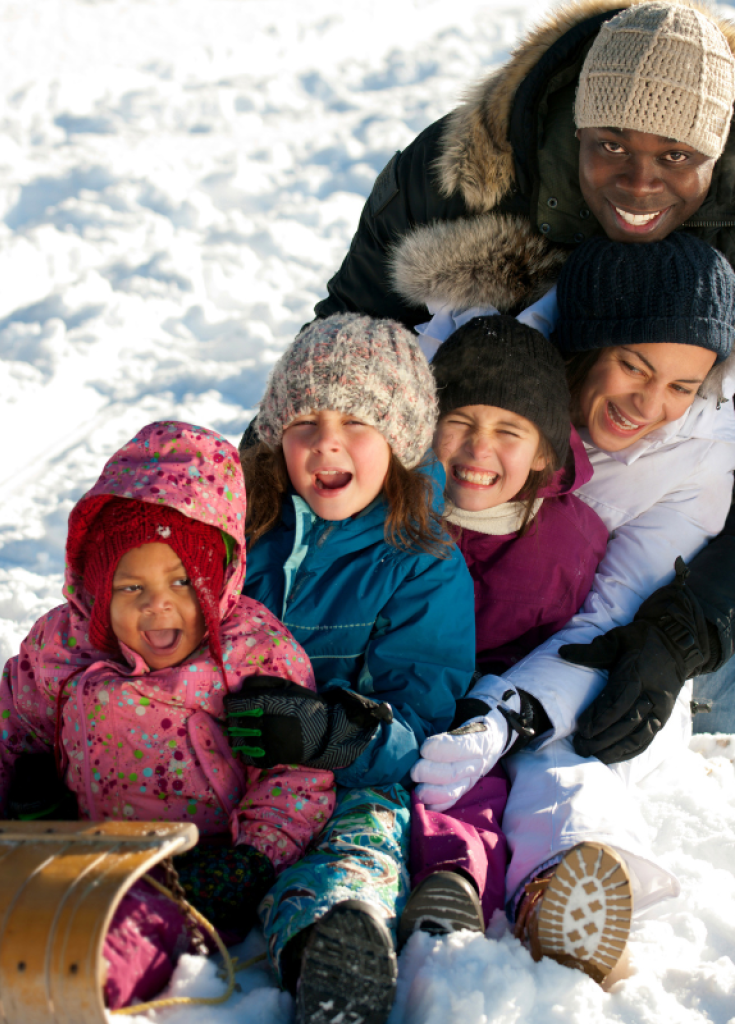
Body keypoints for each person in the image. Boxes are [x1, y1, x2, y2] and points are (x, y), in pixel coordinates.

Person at [314, 0, 735, 759]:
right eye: (610, 146)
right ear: (573, 127)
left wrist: (685, 630)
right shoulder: (457, 181)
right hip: (479, 527)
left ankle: (718, 704)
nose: (639, 184)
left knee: (685, 690)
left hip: (681, 537)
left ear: (720, 147)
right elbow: (338, 363)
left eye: (676, 157)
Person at [410, 233, 735, 982]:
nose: (652, 406)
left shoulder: (697, 454)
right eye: (634, 367)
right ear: (585, 341)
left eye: (683, 385)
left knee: (585, 738)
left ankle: (568, 877)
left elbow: (612, 625)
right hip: (455, 617)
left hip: (590, 634)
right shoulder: (482, 358)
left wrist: (510, 710)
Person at [0, 421, 336, 1010]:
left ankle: (64, 984)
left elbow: (295, 774)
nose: (158, 604)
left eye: (182, 582)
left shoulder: (251, 654)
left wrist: (252, 859)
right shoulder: (63, 646)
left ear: (217, 584)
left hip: (195, 871)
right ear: (97, 586)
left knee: (122, 936)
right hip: (77, 848)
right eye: (130, 587)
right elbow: (3, 732)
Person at [225, 313, 475, 1024]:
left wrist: (327, 736)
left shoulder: (420, 562)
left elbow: (421, 718)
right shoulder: (247, 529)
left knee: (367, 839)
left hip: (345, 783)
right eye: (305, 419)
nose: (327, 440)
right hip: (224, 762)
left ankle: (330, 948)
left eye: (357, 423)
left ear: (398, 443)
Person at [397, 314, 610, 944]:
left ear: (545, 450)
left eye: (507, 431)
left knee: (497, 794)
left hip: (504, 716)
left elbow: (571, 650)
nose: (478, 449)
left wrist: (498, 715)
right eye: (459, 422)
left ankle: (464, 885)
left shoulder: (567, 542)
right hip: (401, 694)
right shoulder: (399, 510)